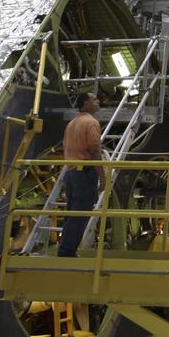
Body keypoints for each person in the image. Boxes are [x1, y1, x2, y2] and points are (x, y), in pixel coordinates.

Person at [58, 91, 102, 257]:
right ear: (85, 104)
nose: (98, 102)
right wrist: (103, 176)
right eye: (94, 99)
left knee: (72, 213)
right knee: (80, 214)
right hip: (84, 173)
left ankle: (65, 248)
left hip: (71, 173)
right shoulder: (91, 123)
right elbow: (94, 150)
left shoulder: (72, 123)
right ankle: (67, 252)